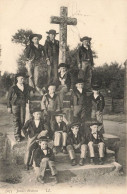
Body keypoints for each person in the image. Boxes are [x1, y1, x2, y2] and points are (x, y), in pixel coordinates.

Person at [7, 73, 34, 142]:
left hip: (23, 105)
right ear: (17, 79)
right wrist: (9, 107)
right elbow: (8, 98)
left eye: (23, 79)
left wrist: (31, 79)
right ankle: (17, 136)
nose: (22, 80)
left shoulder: (26, 86)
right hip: (15, 105)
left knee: (22, 120)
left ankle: (20, 134)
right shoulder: (13, 88)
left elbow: (33, 89)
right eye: (21, 78)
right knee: (16, 120)